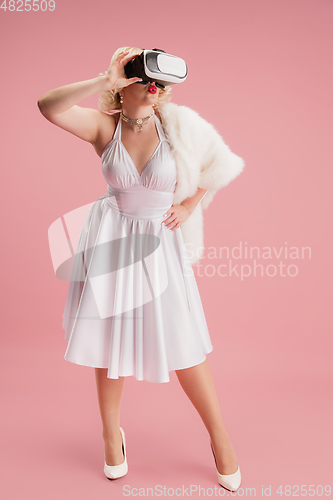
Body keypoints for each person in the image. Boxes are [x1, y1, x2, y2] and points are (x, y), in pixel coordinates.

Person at [37, 46, 244, 492]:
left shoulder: (180, 127)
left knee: (182, 339)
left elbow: (220, 165)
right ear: (125, 86)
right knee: (111, 340)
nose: (155, 90)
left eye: (161, 84)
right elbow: (47, 107)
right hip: (111, 241)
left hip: (159, 244)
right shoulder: (103, 127)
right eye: (145, 81)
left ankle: (220, 437)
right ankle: (112, 435)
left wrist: (189, 206)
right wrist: (102, 80)